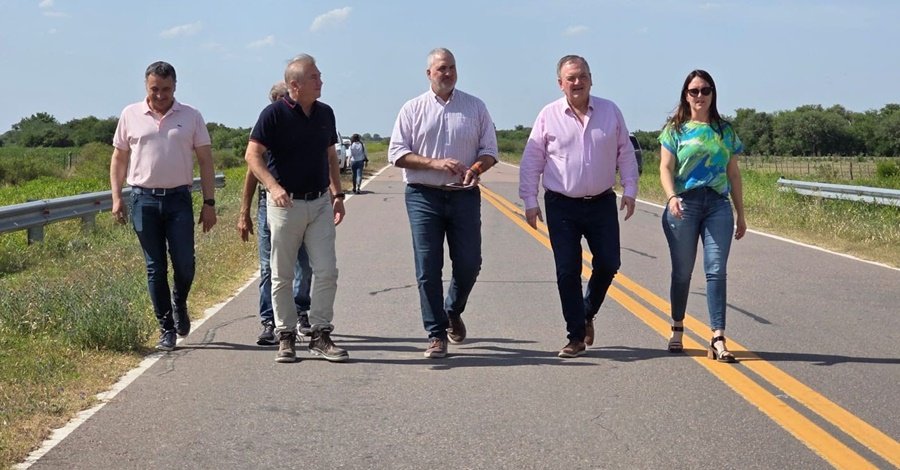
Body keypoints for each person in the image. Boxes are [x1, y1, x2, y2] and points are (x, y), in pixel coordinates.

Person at [519, 55, 638, 359]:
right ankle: (575, 336)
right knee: (567, 270)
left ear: (591, 79)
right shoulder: (548, 115)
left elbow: (625, 151)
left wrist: (630, 188)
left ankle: (586, 313)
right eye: (570, 78)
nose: (577, 82)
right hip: (562, 205)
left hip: (601, 202)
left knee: (609, 263)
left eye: (582, 76)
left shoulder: (610, 111)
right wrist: (530, 200)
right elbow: (532, 160)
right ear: (560, 84)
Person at [388, 47, 498, 359]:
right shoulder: (412, 109)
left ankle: (452, 309)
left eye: (451, 67)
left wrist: (476, 168)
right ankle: (436, 334)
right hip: (424, 196)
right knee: (428, 267)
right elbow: (396, 154)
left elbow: (489, 149)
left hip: (464, 196)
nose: (447, 73)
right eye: (441, 69)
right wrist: (434, 164)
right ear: (429, 74)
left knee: (469, 263)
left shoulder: (475, 107)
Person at [245, 54, 348, 364]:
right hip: (285, 204)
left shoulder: (325, 113)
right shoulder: (273, 115)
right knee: (282, 273)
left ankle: (319, 334)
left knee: (327, 270)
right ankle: (285, 335)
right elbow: (252, 156)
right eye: (315, 77)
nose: (321, 81)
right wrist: (273, 187)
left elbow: (331, 155)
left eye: (319, 75)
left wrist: (338, 194)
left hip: (318, 203)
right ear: (295, 85)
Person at [110, 61, 217, 351]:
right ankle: (166, 327)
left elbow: (206, 161)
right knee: (155, 267)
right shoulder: (130, 114)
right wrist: (117, 196)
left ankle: (179, 300)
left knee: (185, 263)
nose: (160, 95)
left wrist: (209, 202)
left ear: (175, 87)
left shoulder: (191, 115)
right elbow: (119, 158)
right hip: (143, 199)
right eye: (155, 89)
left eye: (166, 89)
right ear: (146, 86)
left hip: (179, 200)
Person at [658, 69, 746, 363]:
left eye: (705, 90)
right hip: (684, 204)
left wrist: (741, 214)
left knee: (716, 270)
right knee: (682, 272)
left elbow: (733, 173)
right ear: (685, 94)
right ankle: (677, 328)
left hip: (718, 205)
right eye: (694, 91)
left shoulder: (725, 131)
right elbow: (666, 168)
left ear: (713, 94)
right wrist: (671, 197)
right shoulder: (675, 130)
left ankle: (718, 337)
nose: (699, 96)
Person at [238, 81, 313, 346]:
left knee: (303, 264)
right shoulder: (266, 128)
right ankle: (269, 321)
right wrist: (243, 212)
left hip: (303, 203)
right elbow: (251, 172)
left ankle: (300, 311)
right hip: (268, 205)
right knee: (269, 267)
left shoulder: (307, 124)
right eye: (280, 99)